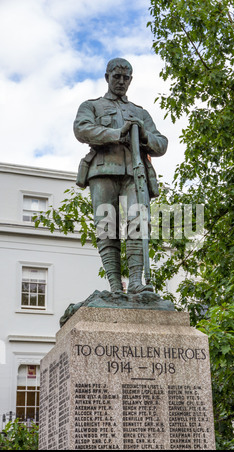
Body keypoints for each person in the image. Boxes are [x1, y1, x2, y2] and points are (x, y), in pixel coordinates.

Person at [73, 58, 168, 294]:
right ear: (107, 77)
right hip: (103, 170)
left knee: (138, 222)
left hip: (135, 174)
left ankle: (136, 281)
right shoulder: (91, 106)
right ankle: (115, 285)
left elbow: (161, 144)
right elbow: (82, 129)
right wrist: (117, 133)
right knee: (107, 227)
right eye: (117, 77)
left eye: (126, 78)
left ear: (131, 80)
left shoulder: (140, 112)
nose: (121, 82)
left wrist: (143, 134)